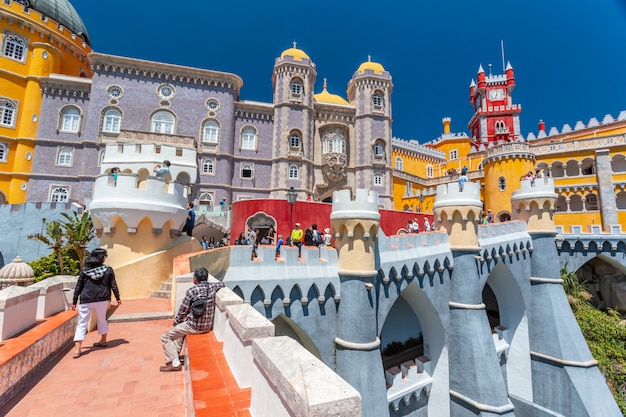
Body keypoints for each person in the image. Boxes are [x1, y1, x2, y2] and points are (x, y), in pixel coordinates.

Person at [160, 267, 224, 372]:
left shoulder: (192, 291)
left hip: (194, 326)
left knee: (165, 336)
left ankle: (174, 364)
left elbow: (182, 311)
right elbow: (222, 284)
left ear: (195, 279)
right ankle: (175, 357)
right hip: (207, 326)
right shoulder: (213, 286)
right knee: (180, 333)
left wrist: (174, 324)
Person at [71, 248, 121, 359]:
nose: (105, 258)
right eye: (105, 256)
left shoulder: (85, 270)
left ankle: (77, 349)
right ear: (101, 257)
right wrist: (118, 298)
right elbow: (113, 285)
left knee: (82, 322)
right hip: (102, 299)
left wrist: (74, 301)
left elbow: (79, 286)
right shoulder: (108, 270)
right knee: (102, 319)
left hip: (86, 299)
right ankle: (103, 340)